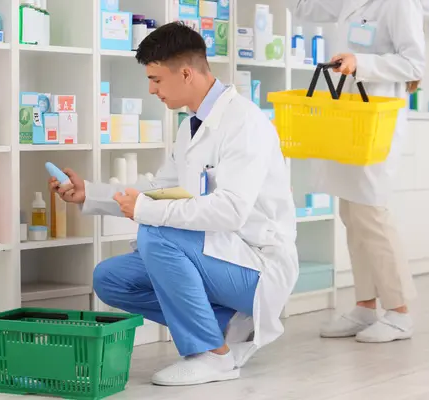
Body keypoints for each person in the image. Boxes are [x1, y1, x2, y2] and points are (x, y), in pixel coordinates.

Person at [49, 22, 299, 386]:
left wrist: (148, 212)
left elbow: (231, 210)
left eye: (156, 79)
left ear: (185, 73)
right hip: (217, 255)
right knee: (111, 279)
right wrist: (90, 192)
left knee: (157, 234)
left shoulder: (244, 122)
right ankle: (220, 326)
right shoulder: (192, 127)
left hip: (257, 265)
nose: (151, 90)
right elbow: (159, 187)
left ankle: (211, 356)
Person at [289, 0, 426, 343]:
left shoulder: (399, 4)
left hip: (376, 120)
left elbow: (414, 62)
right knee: (351, 211)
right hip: (349, 120)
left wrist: (360, 61)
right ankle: (365, 306)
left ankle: (399, 312)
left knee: (371, 212)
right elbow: (306, 9)